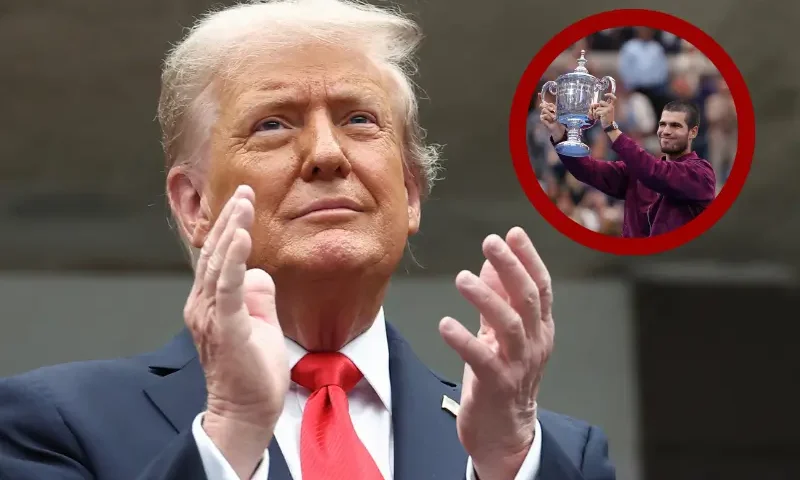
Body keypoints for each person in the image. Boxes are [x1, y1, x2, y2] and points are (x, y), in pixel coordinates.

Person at [0, 1, 616, 479]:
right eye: (272, 125)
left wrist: (507, 462)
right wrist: (230, 437)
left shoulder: (545, 455)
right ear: (195, 205)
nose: (326, 155)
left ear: (410, 192)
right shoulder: (55, 425)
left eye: (358, 119)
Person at [540, 92, 716, 238]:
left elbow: (655, 173)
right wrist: (559, 132)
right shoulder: (636, 172)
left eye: (676, 125)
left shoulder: (701, 173)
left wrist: (611, 128)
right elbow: (586, 169)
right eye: (663, 124)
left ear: (693, 132)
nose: (666, 131)